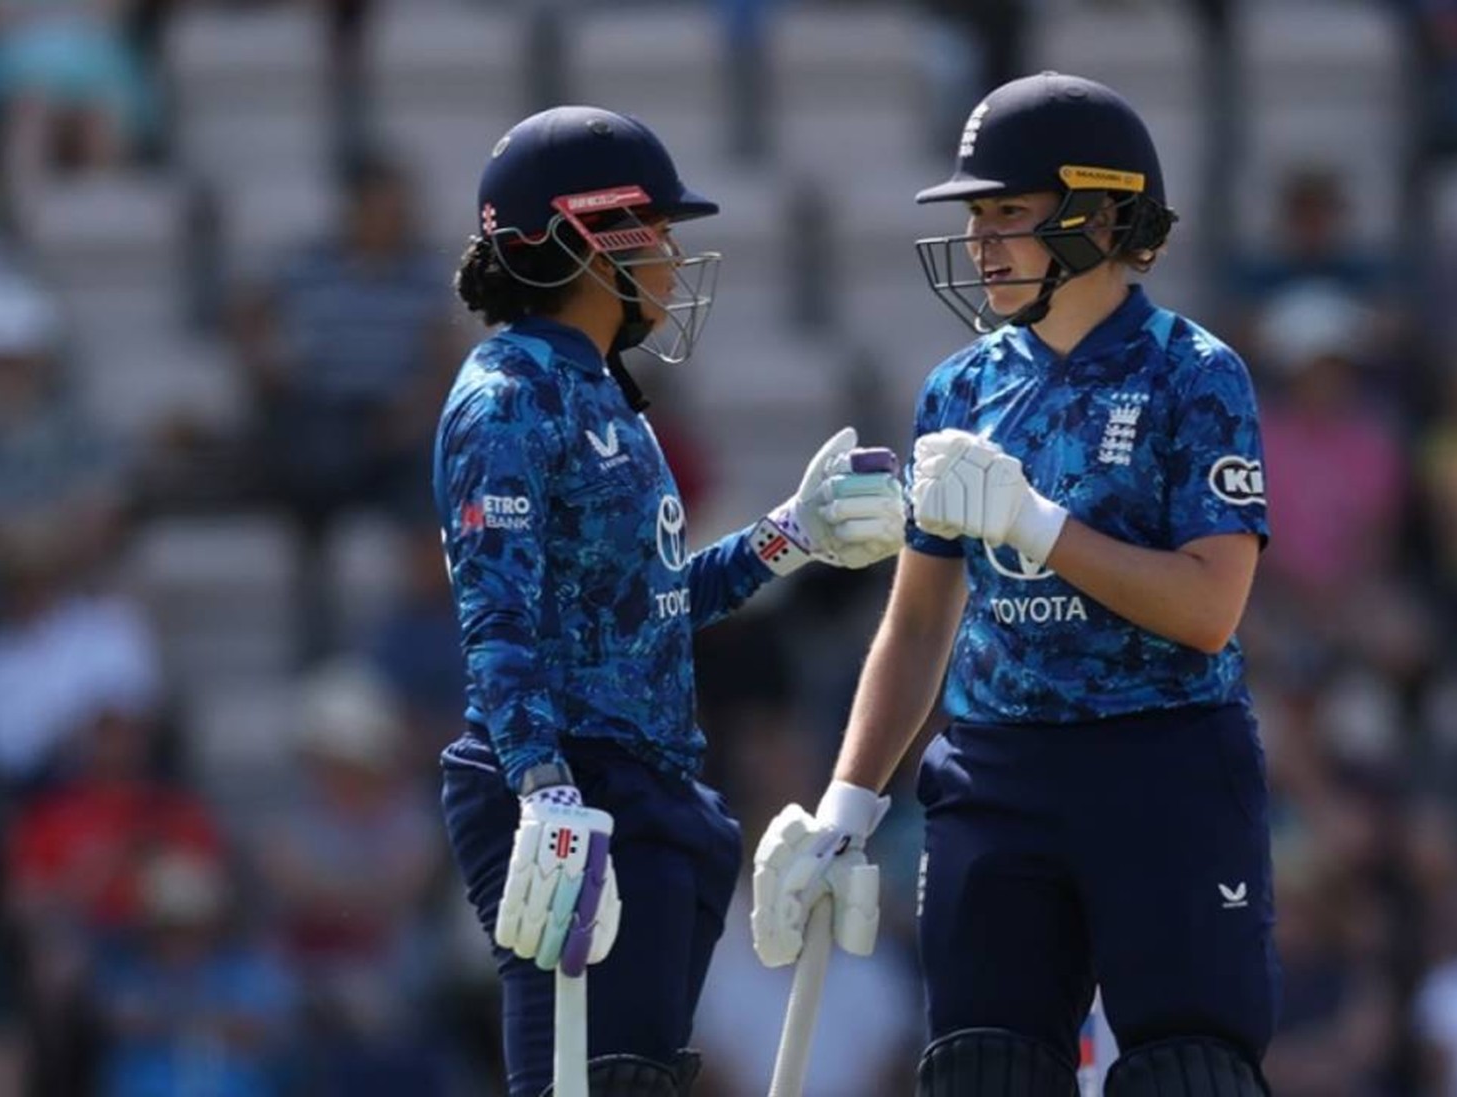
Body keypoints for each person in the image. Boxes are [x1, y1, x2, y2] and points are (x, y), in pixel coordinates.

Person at [751, 73, 1277, 1096]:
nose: (983, 239)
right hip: (998, 771)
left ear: (1096, 212)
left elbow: (1210, 609)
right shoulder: (962, 387)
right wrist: (847, 803)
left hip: (1162, 761)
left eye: (1009, 212)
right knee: (982, 1071)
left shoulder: (1194, 373)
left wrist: (1039, 525)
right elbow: (915, 623)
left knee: (1191, 1075)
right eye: (977, 214)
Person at [434, 105, 908, 1097]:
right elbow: (498, 614)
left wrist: (791, 535)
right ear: (583, 236)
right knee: (587, 1080)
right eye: (654, 232)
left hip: (640, 781)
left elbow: (639, 611)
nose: (671, 259)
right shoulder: (511, 391)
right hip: (578, 785)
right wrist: (542, 787)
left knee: (635, 1075)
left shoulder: (602, 392)